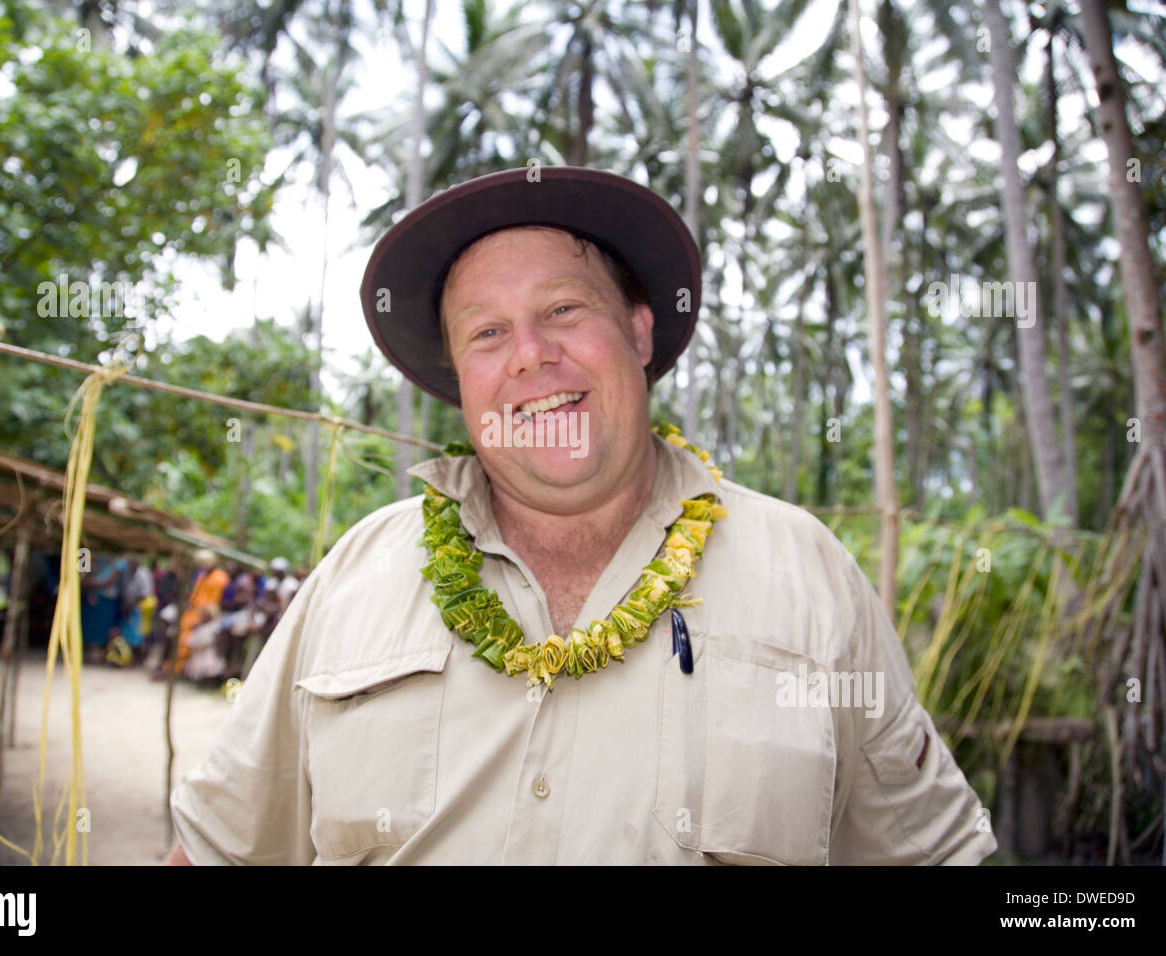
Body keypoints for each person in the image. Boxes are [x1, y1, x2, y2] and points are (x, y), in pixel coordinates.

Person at [169, 166, 997, 865]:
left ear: (639, 332)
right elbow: (217, 853)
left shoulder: (806, 571)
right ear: (460, 380)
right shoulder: (357, 573)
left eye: (565, 310)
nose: (531, 353)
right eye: (488, 332)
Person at [173, 549, 229, 676]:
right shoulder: (202, 575)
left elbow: (213, 603)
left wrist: (202, 619)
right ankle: (177, 667)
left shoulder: (219, 577)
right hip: (195, 612)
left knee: (190, 637)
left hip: (207, 615)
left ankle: (180, 668)